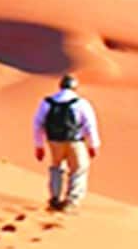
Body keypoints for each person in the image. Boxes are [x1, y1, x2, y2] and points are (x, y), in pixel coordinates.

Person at [33, 74, 100, 213]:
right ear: (75, 87)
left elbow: (37, 124)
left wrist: (39, 146)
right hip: (74, 141)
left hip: (54, 141)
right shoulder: (80, 103)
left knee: (56, 168)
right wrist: (93, 145)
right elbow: (89, 125)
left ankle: (55, 198)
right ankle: (72, 201)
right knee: (79, 169)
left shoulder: (47, 102)